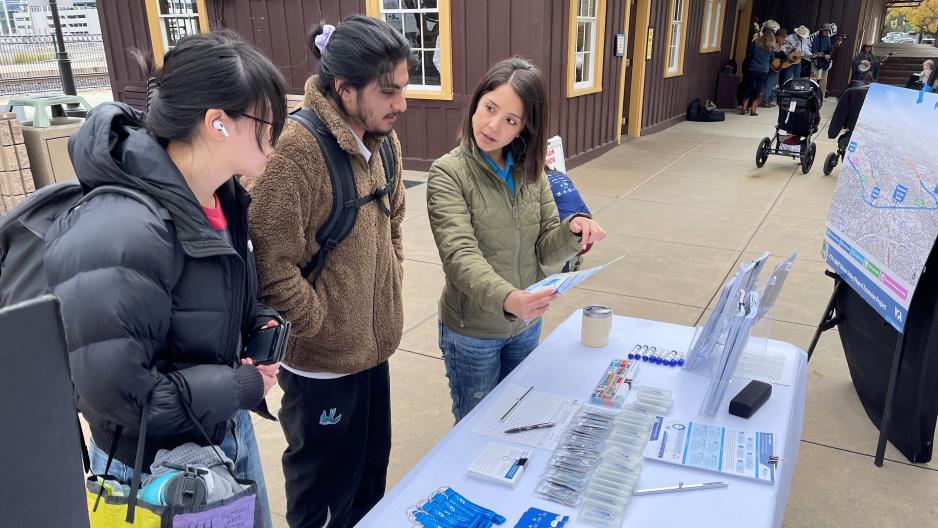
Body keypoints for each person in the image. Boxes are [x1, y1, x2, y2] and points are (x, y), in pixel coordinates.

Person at [42, 31, 287, 527]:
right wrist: (240, 384)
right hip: (152, 471)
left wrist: (258, 324)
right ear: (218, 123)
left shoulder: (224, 198)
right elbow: (118, 396)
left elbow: (225, 299)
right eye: (267, 121)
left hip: (219, 434)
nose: (277, 136)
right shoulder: (123, 230)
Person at [244, 16, 411, 528]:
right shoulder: (295, 154)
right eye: (389, 92)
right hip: (320, 367)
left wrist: (391, 283)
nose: (401, 104)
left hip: (372, 351)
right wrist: (320, 322)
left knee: (368, 480)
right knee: (322, 495)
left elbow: (395, 222)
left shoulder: (385, 141)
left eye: (403, 88)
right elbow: (269, 262)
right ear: (344, 89)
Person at [427, 58, 607, 422]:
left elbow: (544, 247)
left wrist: (572, 232)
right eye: (489, 108)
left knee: (516, 419)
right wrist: (509, 299)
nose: (493, 126)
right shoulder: (448, 174)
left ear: (526, 127)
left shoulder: (532, 173)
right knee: (476, 426)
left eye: (510, 120)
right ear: (476, 101)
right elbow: (460, 256)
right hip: (474, 332)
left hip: (525, 325)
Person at [742, 28, 776, 116]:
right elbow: (772, 59)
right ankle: (753, 110)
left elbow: (750, 52)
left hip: (752, 68)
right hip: (763, 71)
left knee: (748, 88)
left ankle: (744, 108)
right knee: (758, 89)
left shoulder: (755, 43)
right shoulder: (770, 48)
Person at [763, 28, 788, 107]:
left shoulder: (780, 44)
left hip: (776, 65)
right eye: (783, 37)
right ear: (778, 36)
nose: (783, 39)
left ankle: (769, 99)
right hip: (772, 65)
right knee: (770, 82)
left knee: (774, 83)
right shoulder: (773, 41)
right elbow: (772, 53)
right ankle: (765, 99)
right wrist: (779, 54)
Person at [811, 23, 835, 97]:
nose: (827, 32)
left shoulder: (828, 39)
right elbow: (814, 52)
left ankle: (821, 95)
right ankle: (811, 94)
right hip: (815, 61)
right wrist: (824, 56)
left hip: (824, 62)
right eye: (825, 30)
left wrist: (836, 45)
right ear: (822, 30)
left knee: (824, 79)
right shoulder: (816, 39)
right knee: (813, 78)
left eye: (828, 31)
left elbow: (828, 49)